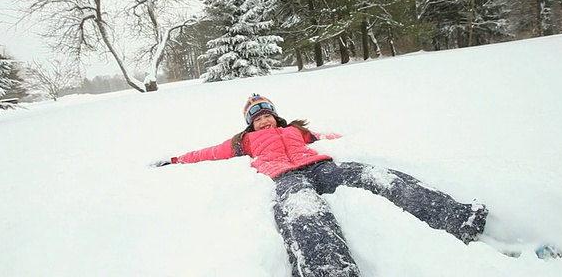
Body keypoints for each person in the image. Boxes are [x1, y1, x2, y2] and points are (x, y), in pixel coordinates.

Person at [153, 94, 488, 277]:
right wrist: (177, 160)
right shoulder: (245, 142)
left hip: (321, 167)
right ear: (250, 124)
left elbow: (327, 136)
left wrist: (359, 136)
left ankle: (455, 217)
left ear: (275, 114)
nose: (263, 118)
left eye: (266, 113)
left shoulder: (295, 131)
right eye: (257, 117)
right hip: (286, 177)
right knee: (306, 215)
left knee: (377, 175)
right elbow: (208, 153)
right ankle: (328, 271)